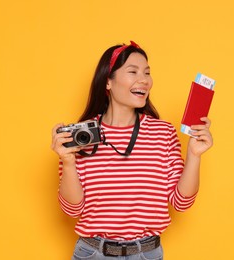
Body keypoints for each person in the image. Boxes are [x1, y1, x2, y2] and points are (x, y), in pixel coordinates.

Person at [50, 41, 213, 260]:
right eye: (133, 71)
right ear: (108, 82)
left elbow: (181, 202)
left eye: (147, 72)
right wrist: (68, 160)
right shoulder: (82, 135)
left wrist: (194, 155)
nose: (144, 80)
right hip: (93, 253)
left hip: (146, 253)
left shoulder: (163, 133)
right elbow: (72, 210)